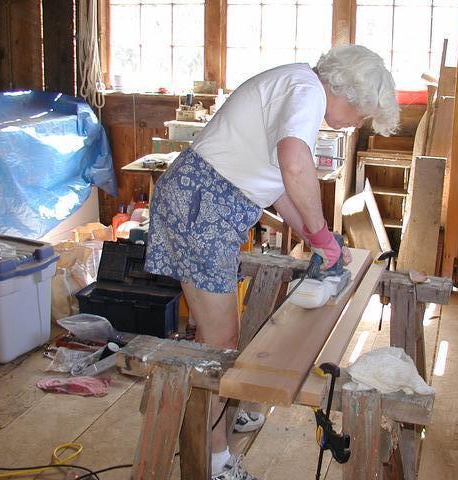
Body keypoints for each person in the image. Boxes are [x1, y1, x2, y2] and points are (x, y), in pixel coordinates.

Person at [144, 44, 399, 480]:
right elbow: (295, 165)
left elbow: (280, 184)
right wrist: (321, 233)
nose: (358, 123)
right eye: (361, 113)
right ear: (348, 90)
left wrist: (316, 238)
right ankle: (213, 459)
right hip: (201, 205)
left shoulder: (297, 87)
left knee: (219, 333)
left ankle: (221, 415)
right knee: (219, 339)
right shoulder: (306, 90)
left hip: (201, 202)